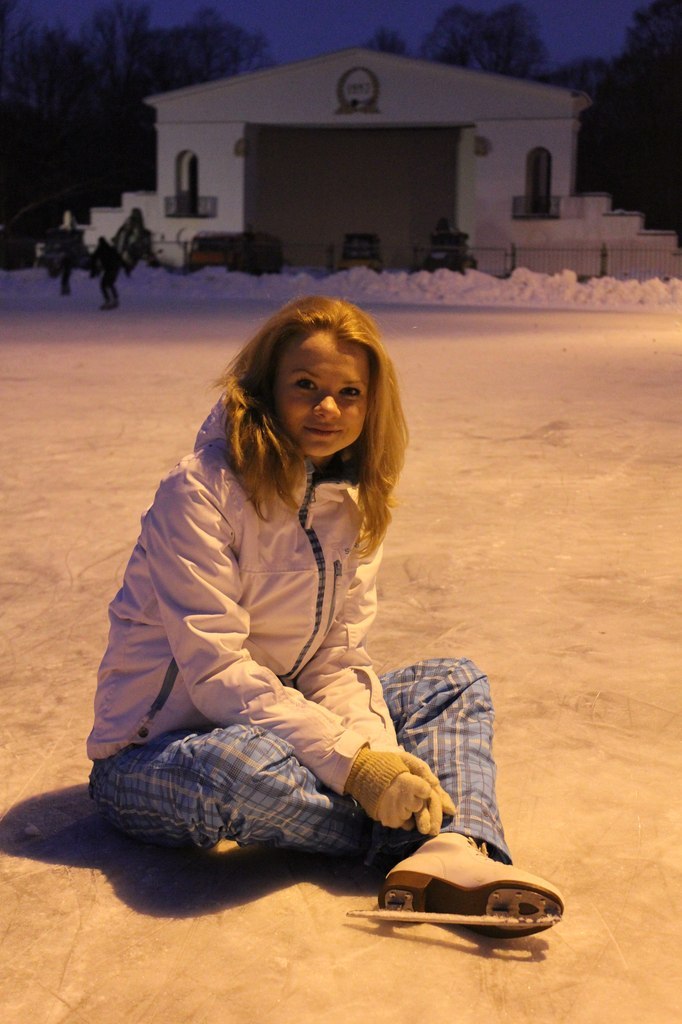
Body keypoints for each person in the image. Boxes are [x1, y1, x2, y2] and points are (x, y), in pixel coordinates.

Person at [87, 296, 563, 938]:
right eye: (306, 386)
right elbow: (216, 671)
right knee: (240, 767)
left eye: (349, 392)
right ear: (265, 388)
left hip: (282, 714)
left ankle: (449, 847)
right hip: (157, 754)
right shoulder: (198, 493)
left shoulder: (352, 502)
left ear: (371, 405)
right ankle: (433, 840)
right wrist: (358, 772)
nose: (328, 409)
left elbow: (333, 661)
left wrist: (382, 759)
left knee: (451, 682)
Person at [90, 237, 121, 309]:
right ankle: (115, 300)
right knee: (110, 284)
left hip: (109, 269)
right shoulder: (111, 249)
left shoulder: (100, 249)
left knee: (103, 285)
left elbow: (93, 258)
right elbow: (119, 258)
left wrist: (93, 271)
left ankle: (108, 301)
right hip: (115, 269)